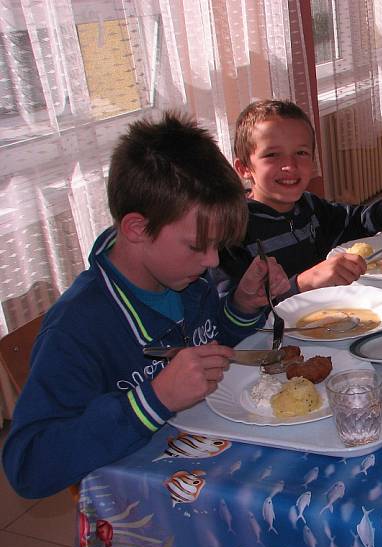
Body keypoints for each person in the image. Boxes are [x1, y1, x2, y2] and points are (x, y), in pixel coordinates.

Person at [2, 113, 290, 499]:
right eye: (196, 246)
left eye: (216, 246)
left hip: (216, 464)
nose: (211, 262)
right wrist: (153, 399)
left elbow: (209, 347)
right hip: (151, 507)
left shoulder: (184, 278)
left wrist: (240, 307)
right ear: (136, 229)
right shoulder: (78, 327)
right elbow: (27, 467)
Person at [217, 100, 382, 296]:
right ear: (244, 168)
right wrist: (303, 283)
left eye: (301, 152)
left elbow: (357, 222)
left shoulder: (310, 207)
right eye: (272, 155)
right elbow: (236, 311)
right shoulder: (233, 230)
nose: (290, 165)